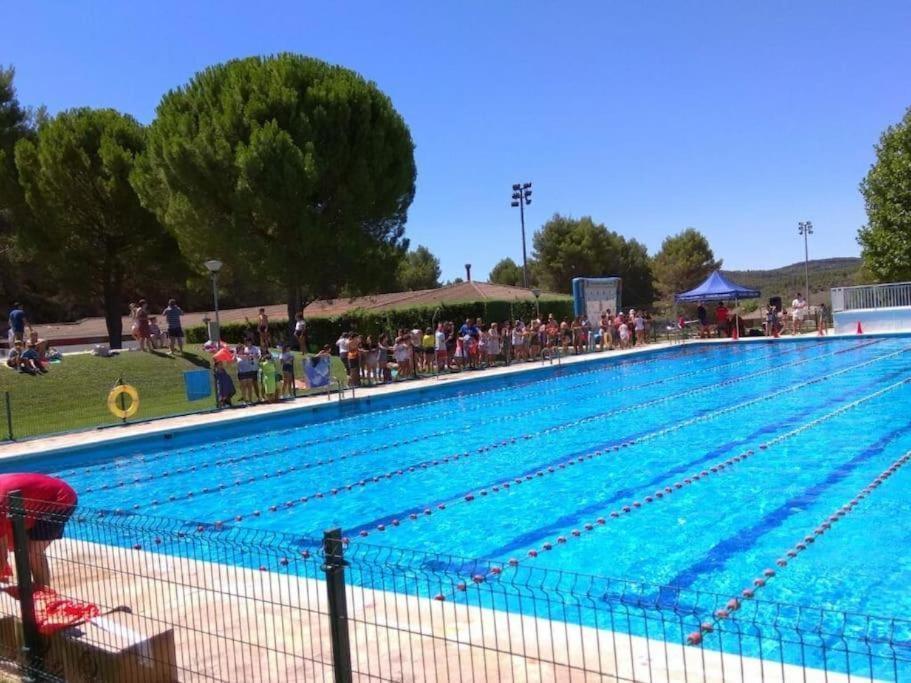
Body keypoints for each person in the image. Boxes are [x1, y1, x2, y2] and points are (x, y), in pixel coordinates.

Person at [0, 473, 77, 587]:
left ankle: (45, 593)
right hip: (29, 502)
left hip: (59, 499)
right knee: (18, 546)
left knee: (34, 551)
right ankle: (30, 592)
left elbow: (2, 555)